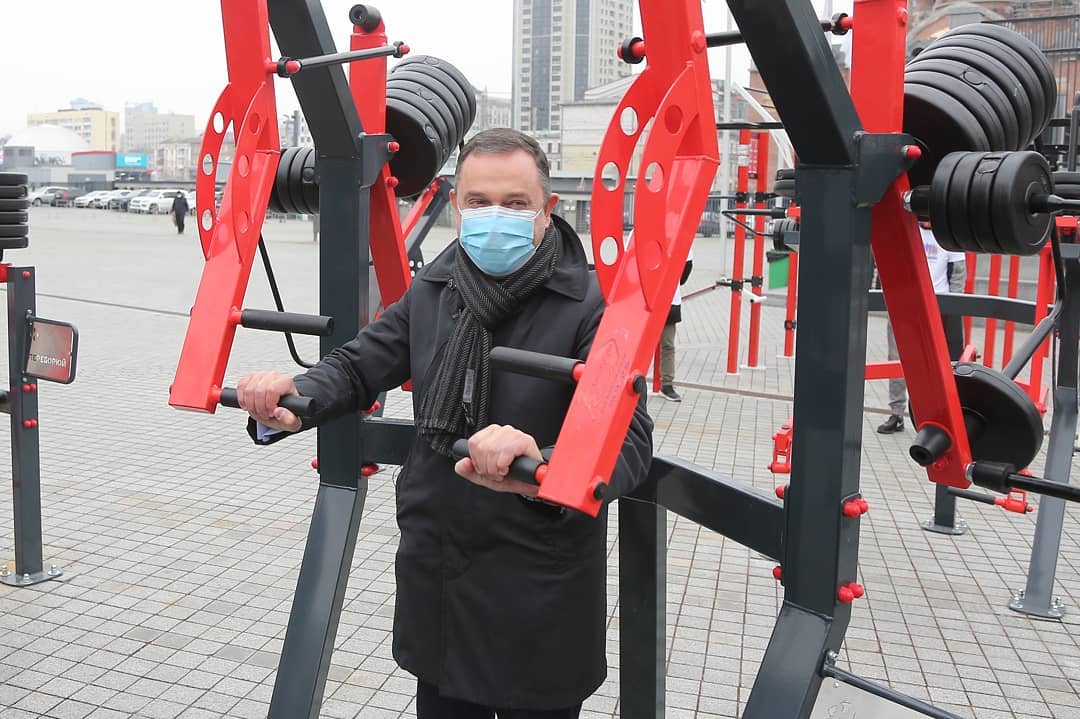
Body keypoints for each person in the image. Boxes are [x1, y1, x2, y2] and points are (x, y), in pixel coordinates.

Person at [237, 128, 653, 718]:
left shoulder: (596, 305)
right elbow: (360, 364)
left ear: (548, 208)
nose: (495, 216)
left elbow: (629, 441)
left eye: (515, 203)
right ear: (456, 205)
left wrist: (544, 462)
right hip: (441, 579)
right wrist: (295, 393)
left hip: (537, 584)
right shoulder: (434, 288)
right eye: (479, 201)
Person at [878, 219, 966, 433]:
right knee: (897, 358)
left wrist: (952, 307)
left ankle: (935, 417)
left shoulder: (949, 235)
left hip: (938, 305)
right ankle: (896, 413)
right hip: (906, 303)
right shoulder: (905, 231)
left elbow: (958, 274)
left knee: (936, 363)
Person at [658, 249, 693, 402]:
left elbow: (686, 266)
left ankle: (667, 384)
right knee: (637, 346)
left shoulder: (681, 237)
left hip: (669, 299)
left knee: (668, 344)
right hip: (645, 298)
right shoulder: (636, 235)